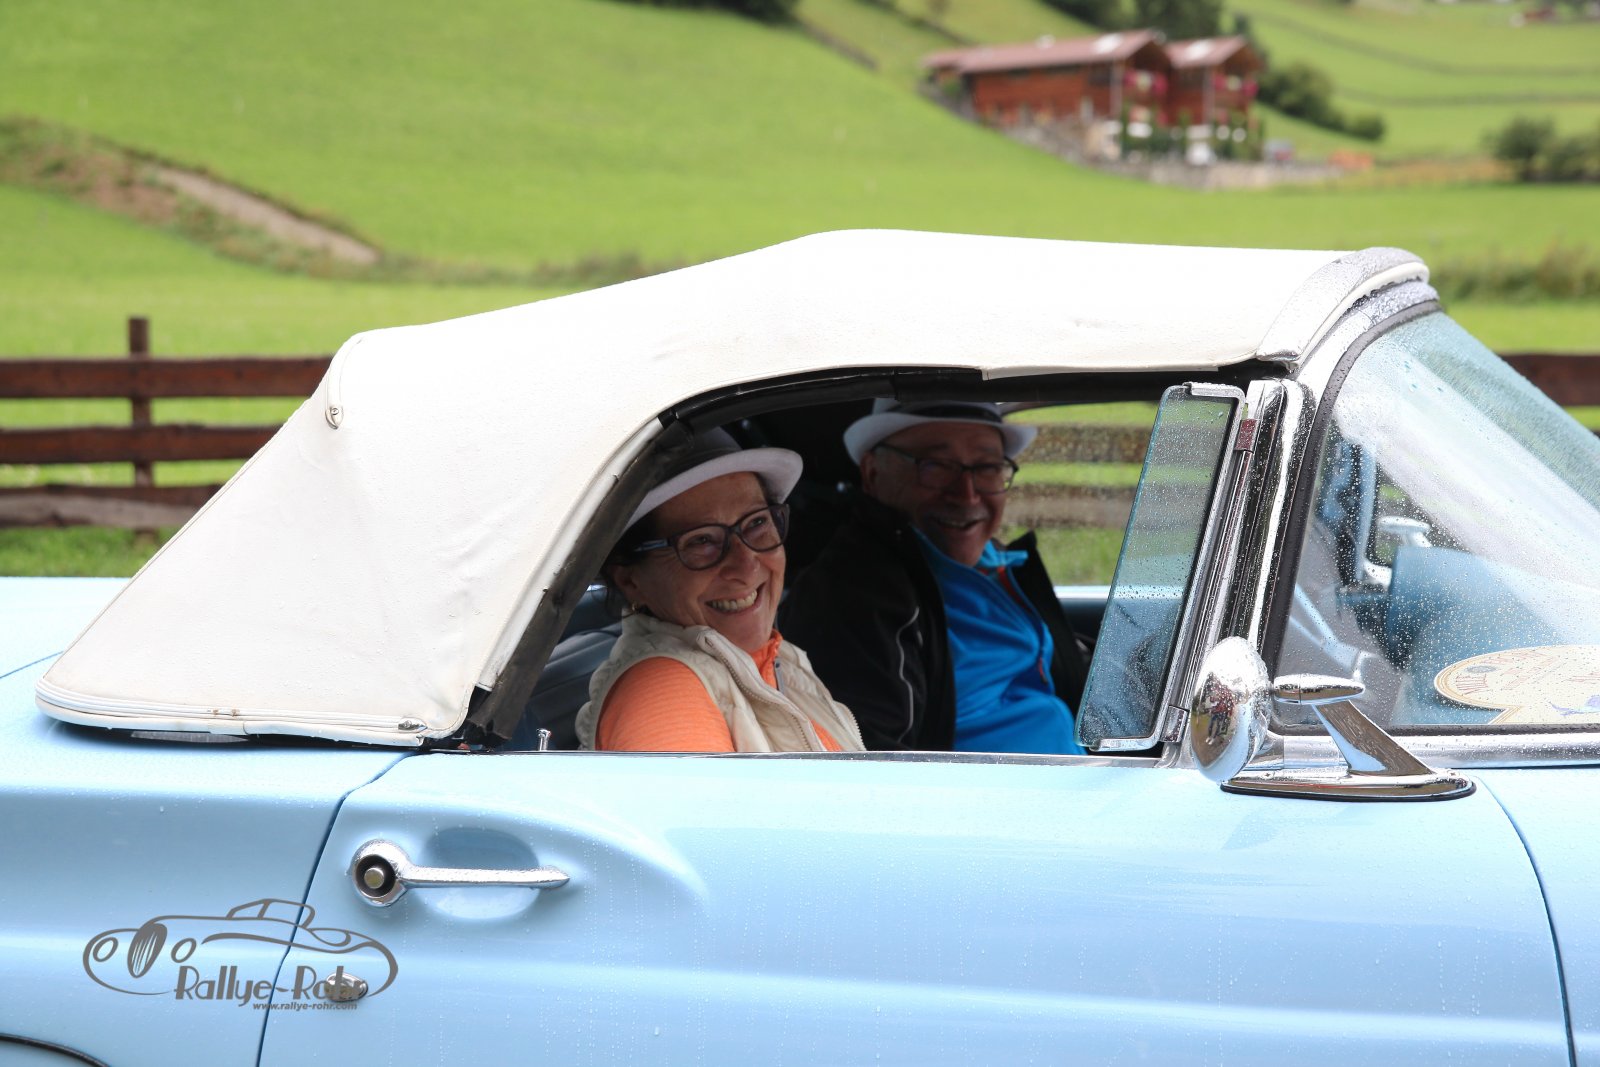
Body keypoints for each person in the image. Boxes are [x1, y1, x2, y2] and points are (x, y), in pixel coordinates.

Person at [780, 399, 1090, 754]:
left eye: (987, 467)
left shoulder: (996, 561)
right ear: (873, 473)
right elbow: (874, 765)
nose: (967, 494)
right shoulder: (855, 597)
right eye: (937, 466)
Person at [576, 429, 864, 753]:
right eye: (701, 541)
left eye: (757, 523)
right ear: (631, 581)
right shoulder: (664, 690)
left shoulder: (777, 660)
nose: (747, 566)